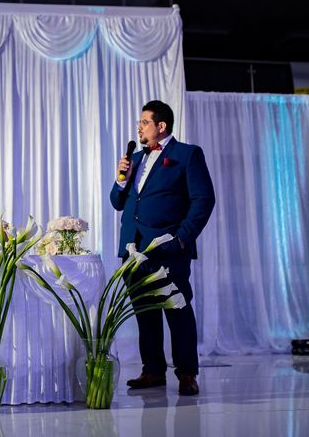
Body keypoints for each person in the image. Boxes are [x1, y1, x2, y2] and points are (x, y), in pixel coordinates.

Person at [110, 100, 215, 396]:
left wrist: (182, 238)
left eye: (144, 122)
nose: (139, 127)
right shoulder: (137, 159)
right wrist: (121, 180)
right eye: (139, 123)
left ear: (161, 126)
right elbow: (118, 202)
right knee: (145, 312)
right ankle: (153, 370)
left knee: (177, 309)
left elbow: (203, 200)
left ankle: (186, 373)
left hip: (168, 248)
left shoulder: (186, 155)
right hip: (133, 248)